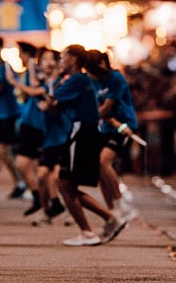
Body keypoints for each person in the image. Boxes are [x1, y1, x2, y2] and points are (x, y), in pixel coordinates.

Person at [45, 44, 125, 246]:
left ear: (72, 60)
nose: (60, 61)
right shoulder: (82, 81)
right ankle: (107, 220)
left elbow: (51, 100)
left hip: (81, 133)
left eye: (63, 58)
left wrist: (53, 79)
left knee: (65, 184)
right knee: (67, 186)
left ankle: (94, 228)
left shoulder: (77, 80)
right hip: (85, 133)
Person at [8, 45, 67, 220]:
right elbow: (34, 88)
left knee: (57, 178)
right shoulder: (46, 80)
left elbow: (36, 90)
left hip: (60, 136)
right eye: (43, 59)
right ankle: (47, 206)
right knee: (42, 175)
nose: (46, 63)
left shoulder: (61, 82)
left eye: (50, 59)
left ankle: (58, 207)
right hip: (48, 135)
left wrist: (13, 81)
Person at [84, 49, 138, 226]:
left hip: (124, 127)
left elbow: (105, 107)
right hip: (106, 128)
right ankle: (113, 211)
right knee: (99, 170)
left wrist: (94, 115)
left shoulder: (116, 78)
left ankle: (122, 204)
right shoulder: (91, 80)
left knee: (103, 161)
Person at [0, 34, 25, 198]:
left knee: (4, 149)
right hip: (1, 114)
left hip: (9, 113)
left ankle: (22, 182)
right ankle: (20, 182)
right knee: (3, 150)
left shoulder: (5, 67)